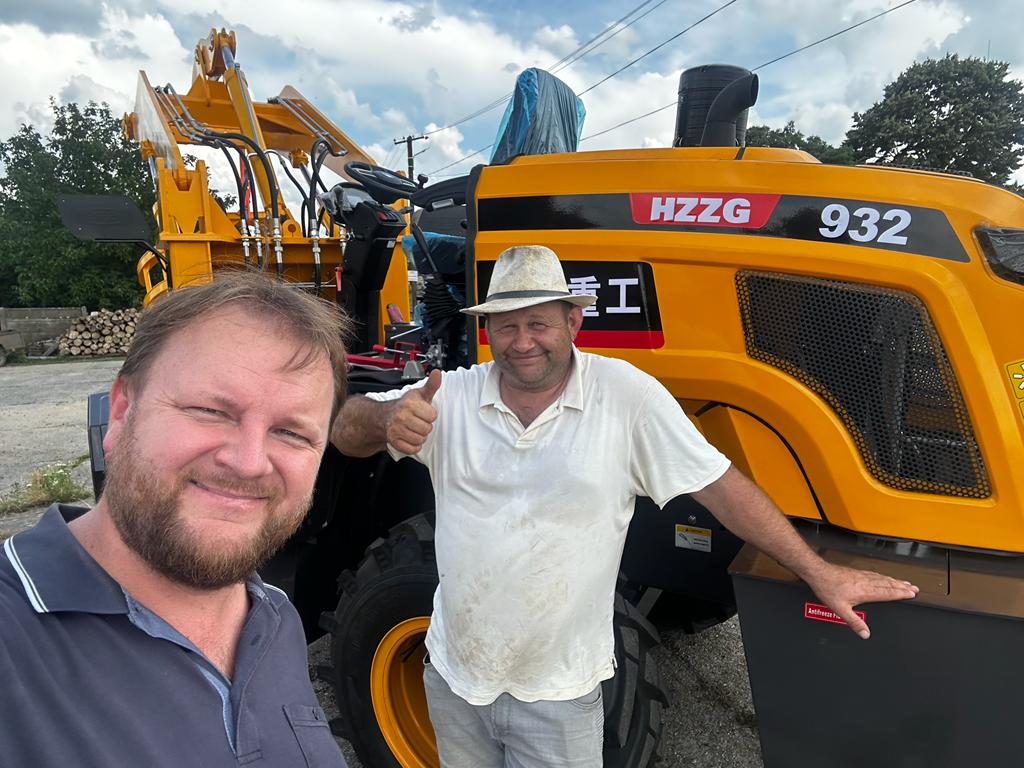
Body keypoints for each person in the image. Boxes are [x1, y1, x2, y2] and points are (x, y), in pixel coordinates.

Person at [331, 244, 920, 768]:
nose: (522, 341)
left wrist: (819, 572)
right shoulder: (452, 396)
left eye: (538, 323)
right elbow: (344, 429)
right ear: (487, 331)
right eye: (505, 326)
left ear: (574, 321)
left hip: (558, 697)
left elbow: (721, 486)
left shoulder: (626, 397)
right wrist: (385, 419)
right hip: (455, 681)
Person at [0, 272, 351, 767]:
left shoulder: (272, 617)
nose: (250, 462)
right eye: (210, 410)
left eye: (292, 433)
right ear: (121, 412)